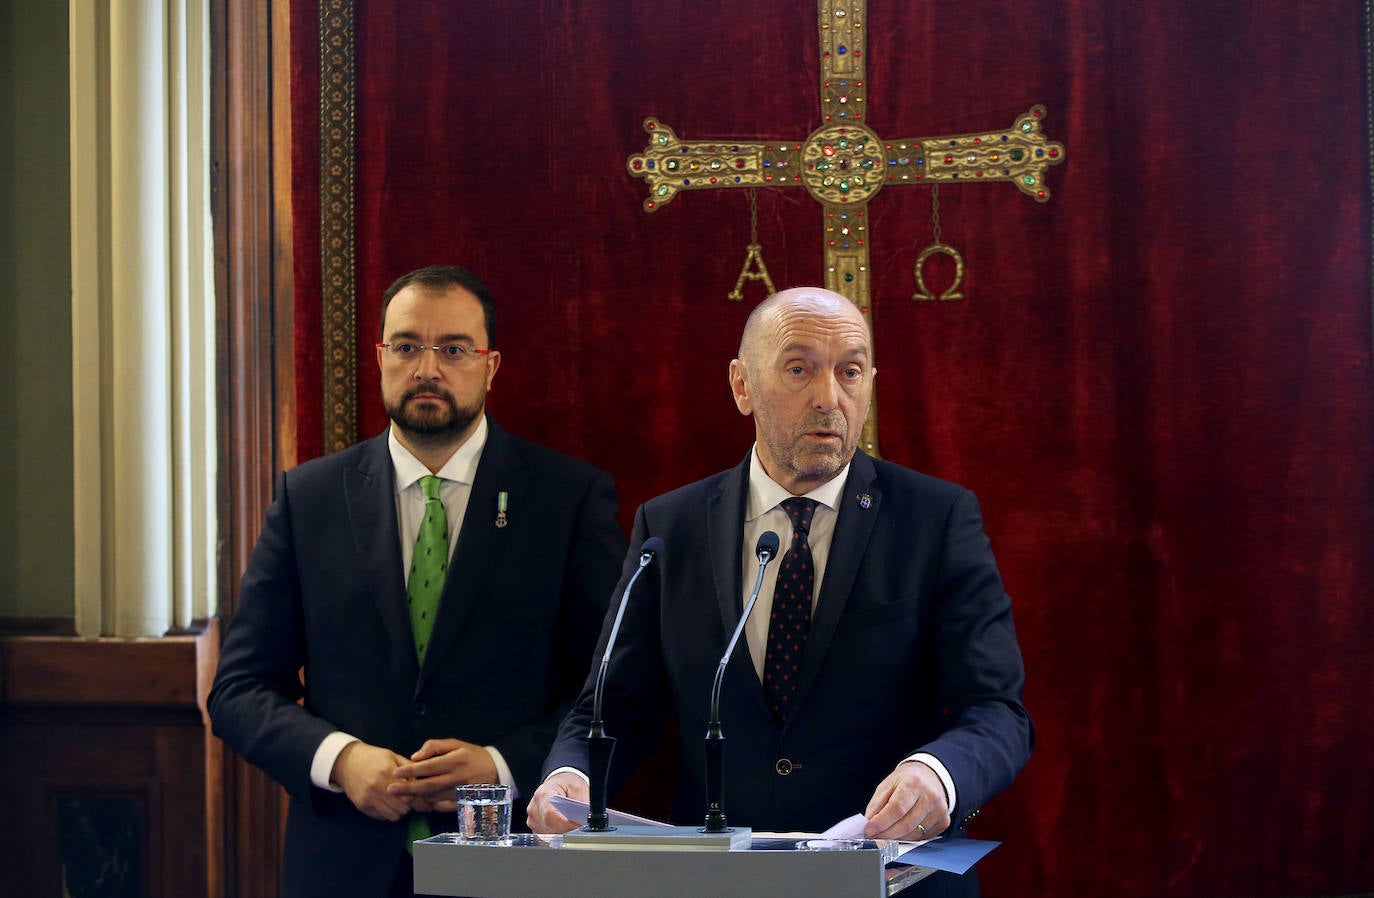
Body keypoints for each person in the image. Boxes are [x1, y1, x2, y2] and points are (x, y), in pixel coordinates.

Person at [527, 286, 1031, 897]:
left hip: (891, 879)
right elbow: (609, 711)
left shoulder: (936, 518)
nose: (829, 398)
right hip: (717, 880)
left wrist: (939, 773)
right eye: (799, 369)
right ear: (742, 386)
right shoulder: (670, 526)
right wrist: (569, 775)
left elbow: (997, 711)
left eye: (850, 372)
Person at [208, 265, 626, 898]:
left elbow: (613, 693)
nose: (427, 368)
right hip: (343, 865)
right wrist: (340, 760)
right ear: (380, 358)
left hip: (514, 859)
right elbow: (238, 690)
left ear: (491, 365)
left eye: (454, 349)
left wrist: (502, 766)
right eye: (406, 347)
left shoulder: (567, 500)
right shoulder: (310, 499)